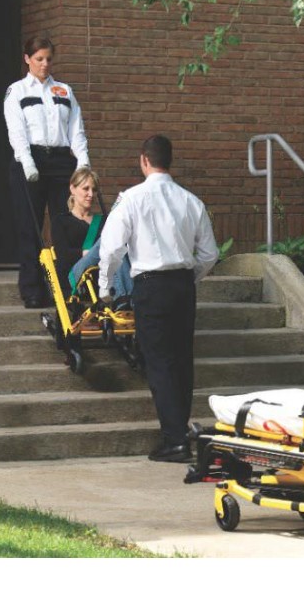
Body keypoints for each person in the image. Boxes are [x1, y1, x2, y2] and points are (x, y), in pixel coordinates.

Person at [98, 134, 219, 462]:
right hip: (183, 286)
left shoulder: (131, 199)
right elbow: (209, 254)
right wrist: (190, 277)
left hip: (151, 286)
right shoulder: (191, 201)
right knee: (182, 360)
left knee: (160, 362)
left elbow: (111, 249)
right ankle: (179, 432)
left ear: (144, 160)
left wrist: (105, 287)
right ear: (169, 161)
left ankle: (174, 440)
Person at [4, 36, 91, 309]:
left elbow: (76, 130)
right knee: (29, 228)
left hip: (61, 162)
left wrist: (83, 162)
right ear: (27, 59)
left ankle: (67, 288)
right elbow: (16, 130)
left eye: (48, 59)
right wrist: (27, 161)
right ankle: (32, 290)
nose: (44, 64)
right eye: (39, 59)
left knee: (65, 226)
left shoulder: (63, 91)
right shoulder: (17, 91)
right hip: (30, 160)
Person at [51, 167, 133, 300]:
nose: (91, 194)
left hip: (102, 277)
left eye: (94, 190)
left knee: (118, 242)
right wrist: (91, 252)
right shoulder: (61, 221)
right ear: (72, 189)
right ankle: (124, 297)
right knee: (109, 243)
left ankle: (127, 299)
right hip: (76, 276)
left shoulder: (103, 220)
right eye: (86, 189)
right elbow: (63, 255)